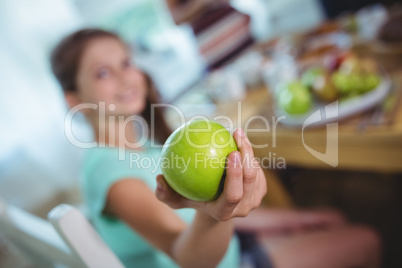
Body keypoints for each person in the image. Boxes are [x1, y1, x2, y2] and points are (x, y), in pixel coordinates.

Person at [51, 28, 380, 268]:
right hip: (218, 260)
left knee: (331, 221)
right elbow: (187, 256)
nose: (126, 78)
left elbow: (209, 213)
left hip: (229, 245)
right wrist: (216, 217)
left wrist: (302, 219)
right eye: (103, 73)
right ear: (75, 99)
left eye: (126, 63)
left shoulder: (144, 150)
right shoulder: (112, 174)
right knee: (366, 240)